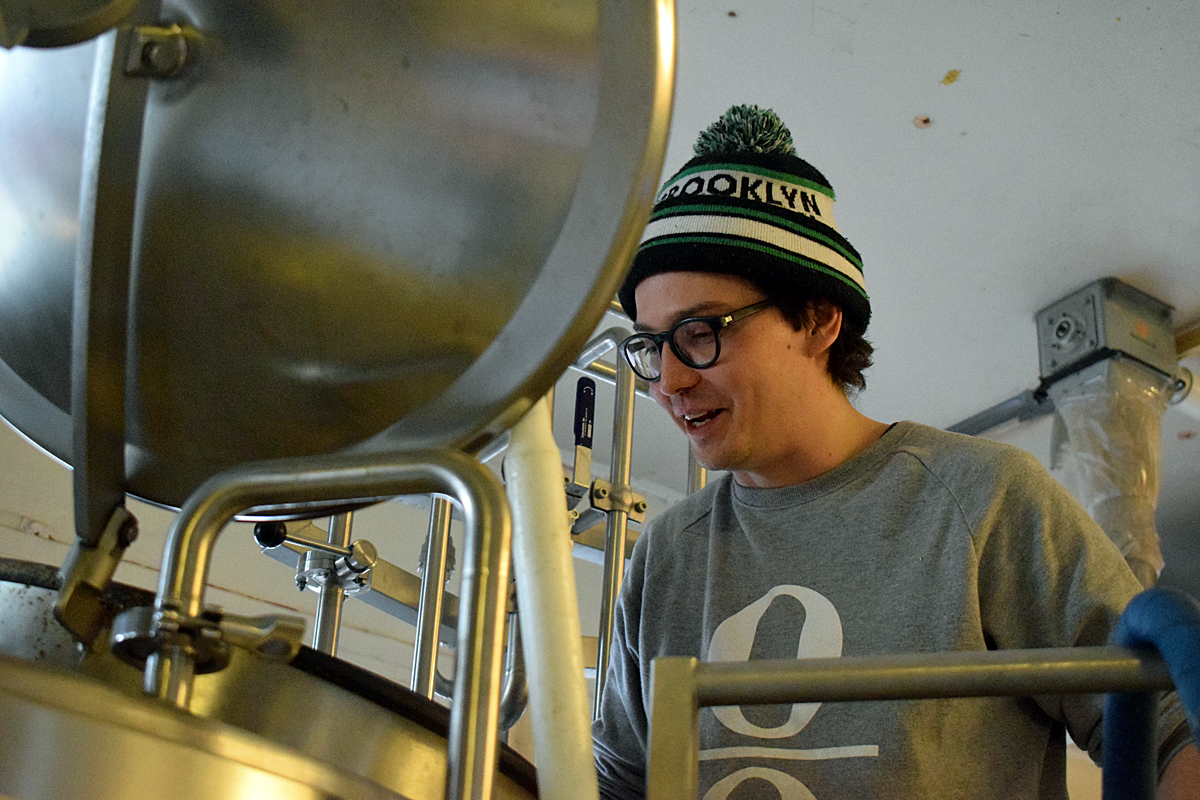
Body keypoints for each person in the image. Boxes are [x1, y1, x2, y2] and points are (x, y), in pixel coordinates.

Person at [591, 104, 1198, 799]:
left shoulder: (983, 499)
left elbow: (1171, 727)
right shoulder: (666, 555)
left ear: (819, 320)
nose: (669, 380)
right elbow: (618, 783)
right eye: (651, 345)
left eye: (701, 332)